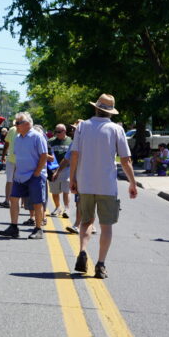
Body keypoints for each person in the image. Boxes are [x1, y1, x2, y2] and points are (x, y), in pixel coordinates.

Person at [69, 94, 137, 279]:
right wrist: (132, 182)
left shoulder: (82, 126)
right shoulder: (116, 129)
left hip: (86, 182)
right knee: (106, 226)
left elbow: (74, 154)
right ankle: (100, 264)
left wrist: (73, 178)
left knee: (86, 221)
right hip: (107, 185)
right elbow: (125, 159)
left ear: (96, 108)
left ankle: (83, 251)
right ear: (110, 112)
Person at [0, 112, 49, 239]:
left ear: (27, 124)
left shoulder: (37, 137)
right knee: (13, 199)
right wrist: (15, 172)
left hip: (34, 175)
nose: (16, 126)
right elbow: (17, 157)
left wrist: (37, 173)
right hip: (20, 175)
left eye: (18, 123)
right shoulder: (18, 138)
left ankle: (38, 229)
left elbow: (44, 155)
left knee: (37, 202)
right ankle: (13, 227)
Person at [48, 123, 73, 218]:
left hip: (66, 168)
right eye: (56, 131)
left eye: (59, 132)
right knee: (54, 191)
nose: (57, 133)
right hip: (53, 169)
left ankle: (66, 208)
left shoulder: (70, 141)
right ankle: (58, 207)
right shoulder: (51, 141)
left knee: (66, 189)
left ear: (64, 131)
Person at [0, 124, 18, 208]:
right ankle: (9, 200)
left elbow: (6, 143)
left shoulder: (12, 129)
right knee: (14, 180)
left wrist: (3, 156)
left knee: (10, 180)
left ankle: (8, 200)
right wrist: (3, 156)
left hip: (15, 160)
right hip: (17, 159)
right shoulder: (13, 129)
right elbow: (7, 143)